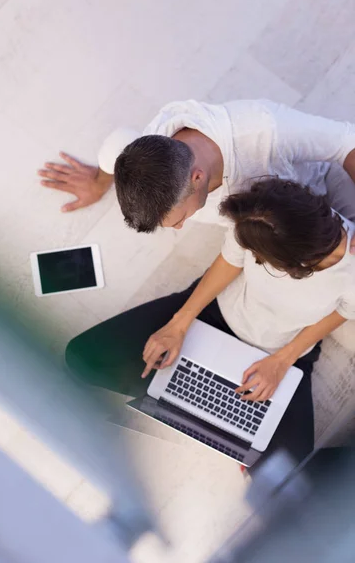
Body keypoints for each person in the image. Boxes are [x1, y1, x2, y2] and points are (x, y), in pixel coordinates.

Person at [65, 179, 355, 471]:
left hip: (284, 352)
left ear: (297, 267)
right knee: (82, 358)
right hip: (215, 314)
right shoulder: (264, 214)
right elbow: (229, 261)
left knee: (285, 478)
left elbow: (344, 309)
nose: (253, 258)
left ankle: (194, 404)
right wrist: (179, 323)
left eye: (261, 259)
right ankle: (192, 406)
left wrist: (283, 360)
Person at [39, 99, 355, 238]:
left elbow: (346, 141)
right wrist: (98, 183)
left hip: (322, 183)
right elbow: (113, 148)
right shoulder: (138, 149)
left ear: (198, 177)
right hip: (269, 223)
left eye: (180, 219)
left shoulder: (265, 130)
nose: (178, 228)